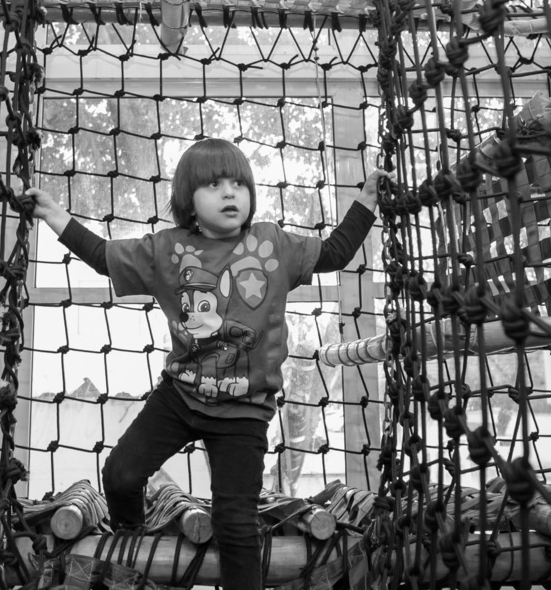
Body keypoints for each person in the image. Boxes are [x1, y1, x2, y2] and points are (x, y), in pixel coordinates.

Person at [25, 138, 384, 590]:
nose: (230, 193)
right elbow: (102, 258)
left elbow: (333, 253)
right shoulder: (167, 250)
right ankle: (133, 552)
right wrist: (54, 215)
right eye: (214, 185)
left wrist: (366, 202)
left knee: (236, 524)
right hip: (181, 395)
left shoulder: (272, 243)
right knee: (120, 474)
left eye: (238, 183)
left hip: (245, 411)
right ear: (189, 204)